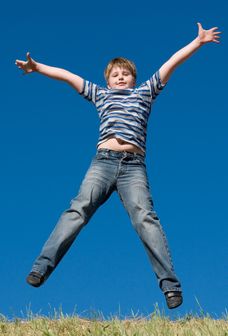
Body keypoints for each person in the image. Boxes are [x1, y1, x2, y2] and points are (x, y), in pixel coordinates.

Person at [15, 22, 221, 309]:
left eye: (126, 74)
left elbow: (170, 63)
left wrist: (197, 43)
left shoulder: (144, 94)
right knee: (78, 210)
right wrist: (38, 68)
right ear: (108, 80)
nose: (121, 77)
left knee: (145, 218)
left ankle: (170, 286)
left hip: (134, 167)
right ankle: (41, 267)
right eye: (115, 74)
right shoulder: (100, 95)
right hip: (103, 163)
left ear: (134, 79)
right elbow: (69, 76)